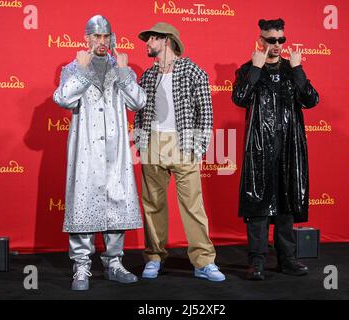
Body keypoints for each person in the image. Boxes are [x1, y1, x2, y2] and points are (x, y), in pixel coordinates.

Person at [53, 15, 146, 290]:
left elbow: (138, 102)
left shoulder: (121, 68)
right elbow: (63, 99)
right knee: (83, 202)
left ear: (112, 38)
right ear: (87, 39)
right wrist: (81, 72)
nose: (102, 41)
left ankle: (114, 263)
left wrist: (124, 73)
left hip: (116, 150)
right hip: (86, 149)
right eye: (96, 36)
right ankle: (81, 267)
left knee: (116, 202)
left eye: (106, 36)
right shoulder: (72, 67)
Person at [134, 22, 225, 282]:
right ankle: (154, 257)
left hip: (183, 143)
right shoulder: (148, 76)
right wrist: (141, 143)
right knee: (152, 204)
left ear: (167, 40)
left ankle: (204, 261)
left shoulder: (193, 71)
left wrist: (198, 148)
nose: (147, 43)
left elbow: (206, 113)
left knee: (193, 206)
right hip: (153, 142)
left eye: (151, 38)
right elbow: (140, 113)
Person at [232, 18, 319, 281]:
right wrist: (256, 69)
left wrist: (299, 68)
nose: (278, 45)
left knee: (286, 205)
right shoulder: (248, 69)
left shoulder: (293, 70)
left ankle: (288, 260)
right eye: (272, 40)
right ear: (261, 41)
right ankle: (256, 262)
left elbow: (312, 100)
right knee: (258, 206)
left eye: (281, 39)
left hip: (290, 149)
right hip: (260, 149)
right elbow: (240, 98)